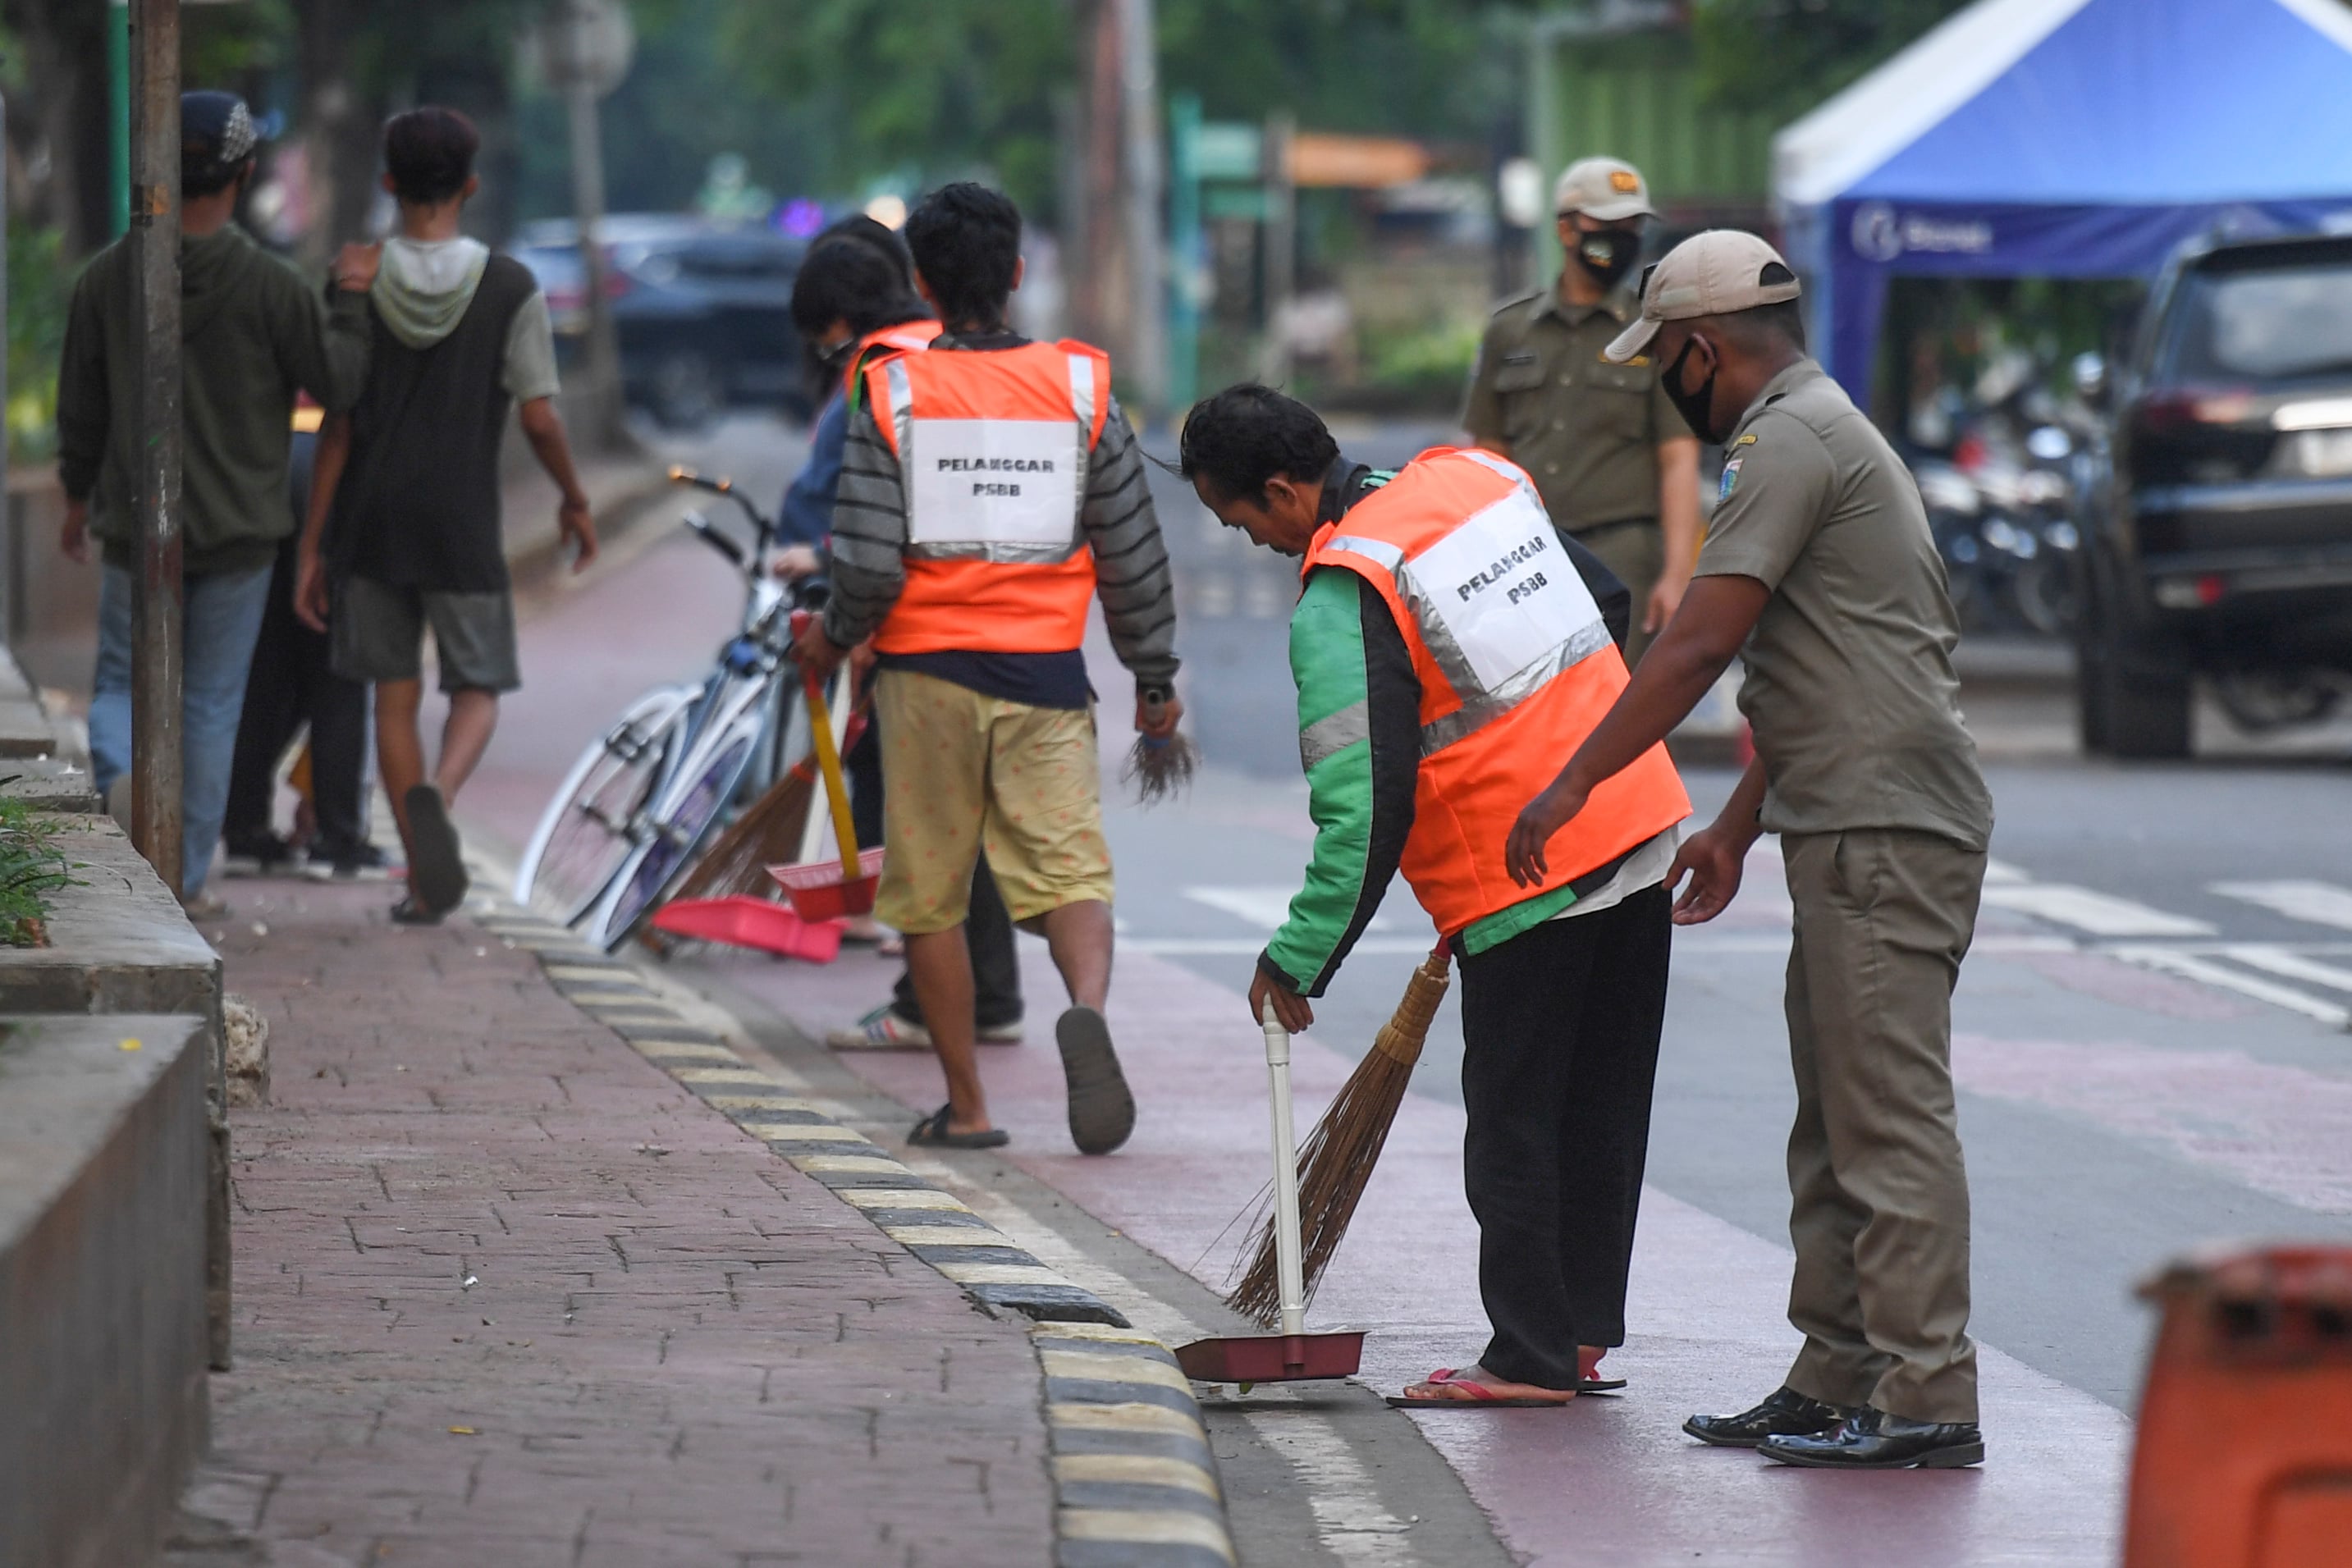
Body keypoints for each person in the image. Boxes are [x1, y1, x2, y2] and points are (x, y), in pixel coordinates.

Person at [1503, 231, 1994, 1469]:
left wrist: (1568, 781)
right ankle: (1835, 1369)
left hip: (1882, 817)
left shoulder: (1785, 442)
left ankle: (1926, 1391)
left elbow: (1694, 647)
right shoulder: (1816, 430)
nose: (1664, 381)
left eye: (1665, 359)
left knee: (1883, 1114)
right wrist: (1732, 824)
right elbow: (1812, 658)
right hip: (1846, 809)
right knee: (1836, 1111)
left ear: (1701, 348)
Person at [1178, 383, 1691, 1406]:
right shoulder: (1474, 481)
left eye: (1241, 520)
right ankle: (1579, 1335)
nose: (1253, 543)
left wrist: (1297, 958)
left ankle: (1528, 1359)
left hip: (1526, 873)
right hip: (1638, 825)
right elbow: (1609, 605)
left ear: (1283, 490)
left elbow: (1361, 811)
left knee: (1511, 1124)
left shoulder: (1346, 588)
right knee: (1600, 1109)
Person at [791, 181, 1183, 1155]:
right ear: (1015, 275)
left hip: (923, 676)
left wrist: (834, 638)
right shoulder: (1083, 387)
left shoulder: (890, 387)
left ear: (920, 282)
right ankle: (1083, 1005)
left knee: (928, 892)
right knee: (1066, 872)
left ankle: (967, 1107)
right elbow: (1132, 553)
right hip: (1045, 674)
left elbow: (870, 562)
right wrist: (1155, 679)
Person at [57, 89, 375, 912]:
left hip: (135, 525)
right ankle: (183, 883)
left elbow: (81, 406)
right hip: (239, 536)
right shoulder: (273, 287)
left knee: (124, 682)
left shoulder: (106, 278)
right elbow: (338, 382)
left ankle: (124, 776)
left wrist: (72, 495)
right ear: (243, 174)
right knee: (208, 705)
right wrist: (349, 297)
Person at [295, 106, 596, 923]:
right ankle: (441, 792)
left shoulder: (355, 277)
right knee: (478, 685)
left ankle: (424, 879)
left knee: (391, 698)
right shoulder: (509, 288)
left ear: (389, 184)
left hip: (371, 523)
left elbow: (338, 422)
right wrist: (572, 496)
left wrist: (314, 545)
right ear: (469, 185)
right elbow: (539, 417)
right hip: (461, 523)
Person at [778, 227, 1029, 1054]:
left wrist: (848, 626)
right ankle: (992, 996)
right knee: (974, 823)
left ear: (838, 321)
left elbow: (870, 519)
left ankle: (929, 1007)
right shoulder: (962, 353)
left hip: (913, 630)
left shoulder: (878, 372)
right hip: (1010, 622)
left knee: (917, 827)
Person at [1462, 156, 1702, 666]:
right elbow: (1487, 453)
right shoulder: (1510, 330)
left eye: (1632, 226)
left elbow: (1678, 458)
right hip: (1529, 556)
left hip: (1623, 556)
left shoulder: (1652, 331)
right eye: (1606, 225)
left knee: (1616, 709)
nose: (1621, 237)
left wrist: (1678, 575)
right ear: (1565, 229)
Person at [222, 404, 382, 878]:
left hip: (260, 470)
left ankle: (245, 825)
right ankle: (337, 834)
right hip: (330, 467)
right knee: (338, 673)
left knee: (267, 672)